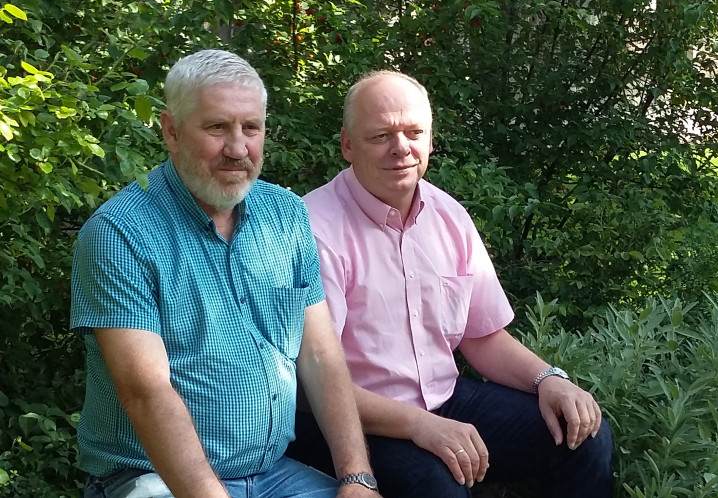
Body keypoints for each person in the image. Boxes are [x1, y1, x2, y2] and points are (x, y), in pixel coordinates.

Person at [286, 71, 613, 497]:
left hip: (444, 399)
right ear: (348, 145)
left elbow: (483, 338)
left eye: (414, 132)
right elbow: (311, 383)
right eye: (381, 135)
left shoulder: (448, 216)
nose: (401, 147)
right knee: (437, 485)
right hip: (352, 421)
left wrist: (548, 379)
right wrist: (421, 426)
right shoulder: (315, 230)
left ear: (431, 140)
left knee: (583, 437)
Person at [70, 50, 381, 498]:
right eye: (217, 127)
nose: (238, 149)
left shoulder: (286, 215)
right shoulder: (119, 235)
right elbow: (146, 392)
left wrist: (356, 476)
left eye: (250, 128)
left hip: (273, 475)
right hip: (153, 480)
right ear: (171, 131)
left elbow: (320, 355)